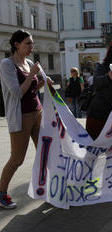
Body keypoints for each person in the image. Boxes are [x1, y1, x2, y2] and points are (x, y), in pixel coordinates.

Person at [0, 29, 52, 209]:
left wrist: (41, 83)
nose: (32, 47)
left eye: (32, 43)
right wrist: (32, 74)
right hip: (20, 117)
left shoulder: (29, 62)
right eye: (28, 43)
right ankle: (1, 194)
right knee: (17, 159)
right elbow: (16, 92)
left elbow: (31, 91)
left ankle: (46, 187)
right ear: (16, 44)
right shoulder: (6, 64)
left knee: (45, 153)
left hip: (37, 113)